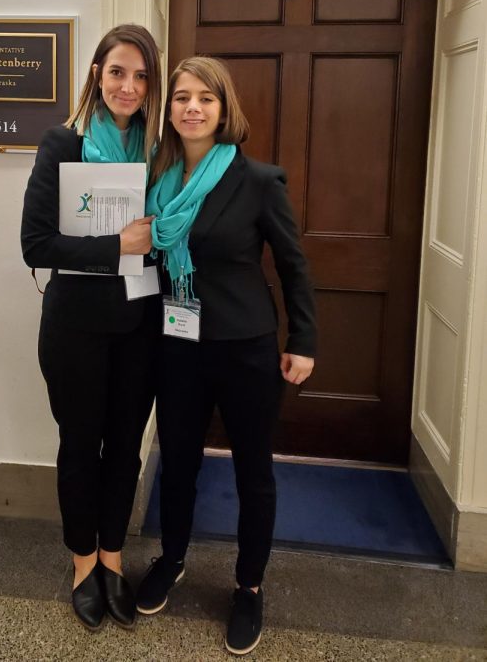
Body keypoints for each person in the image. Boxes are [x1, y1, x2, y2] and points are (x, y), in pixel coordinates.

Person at [137, 56, 316, 656]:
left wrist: (304, 342)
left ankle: (249, 585)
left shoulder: (257, 180)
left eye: (205, 98)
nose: (191, 107)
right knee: (179, 460)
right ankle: (174, 558)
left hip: (245, 347)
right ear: (170, 111)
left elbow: (292, 265)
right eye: (182, 97)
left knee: (252, 471)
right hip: (178, 345)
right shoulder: (156, 179)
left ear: (224, 108)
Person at [21, 24, 162, 631]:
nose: (127, 86)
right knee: (81, 445)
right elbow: (34, 244)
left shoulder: (161, 154)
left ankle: (112, 556)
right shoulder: (63, 145)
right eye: (116, 73)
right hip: (76, 323)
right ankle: (82, 563)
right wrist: (115, 246)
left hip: (140, 323)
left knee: (126, 448)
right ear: (97, 77)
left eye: (139, 75)